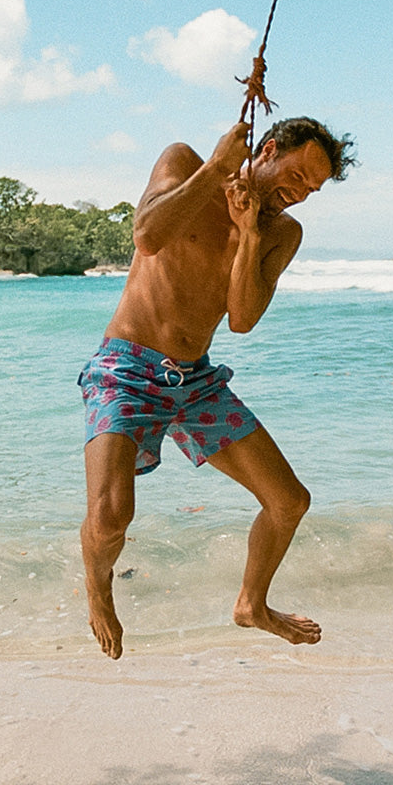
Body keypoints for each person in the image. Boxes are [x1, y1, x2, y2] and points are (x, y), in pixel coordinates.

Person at [78, 116, 356, 659]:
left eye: (310, 190)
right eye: (296, 176)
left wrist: (250, 231)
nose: (298, 195)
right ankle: (97, 586)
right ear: (269, 149)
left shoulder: (282, 232)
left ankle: (252, 604)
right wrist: (214, 170)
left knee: (289, 501)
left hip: (197, 381)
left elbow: (243, 318)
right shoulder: (184, 162)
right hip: (126, 368)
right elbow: (147, 235)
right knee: (111, 517)